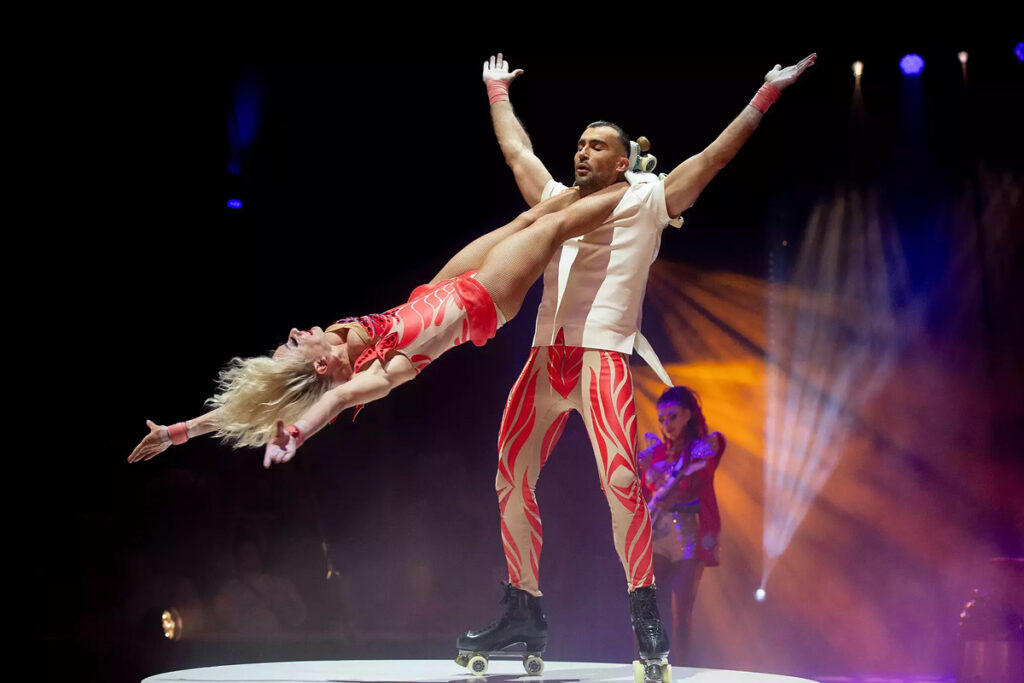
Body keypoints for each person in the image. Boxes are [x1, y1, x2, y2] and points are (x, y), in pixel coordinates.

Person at [457, 52, 815, 675]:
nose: (582, 152)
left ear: (622, 161)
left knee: (622, 484)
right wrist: (496, 92)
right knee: (510, 479)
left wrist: (765, 96)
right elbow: (517, 153)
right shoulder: (556, 201)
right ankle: (523, 609)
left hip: (602, 360)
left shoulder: (650, 199)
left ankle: (645, 612)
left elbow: (713, 159)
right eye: (579, 144)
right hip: (545, 358)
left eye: (596, 146)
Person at [127, 182, 628, 466]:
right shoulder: (373, 377)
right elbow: (332, 401)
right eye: (293, 344)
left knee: (526, 220)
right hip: (483, 301)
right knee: (553, 228)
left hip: (435, 291)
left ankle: (604, 184)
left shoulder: (334, 339)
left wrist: (177, 432)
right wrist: (296, 432)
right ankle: (638, 192)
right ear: (320, 365)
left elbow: (253, 404)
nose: (295, 332)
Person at [639, 386, 725, 665]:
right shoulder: (655, 452)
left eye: (673, 417)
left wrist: (673, 496)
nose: (666, 424)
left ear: (688, 415)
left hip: (688, 534)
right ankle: (648, 667)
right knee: (645, 606)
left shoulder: (700, 449)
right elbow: (643, 495)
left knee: (682, 614)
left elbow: (699, 491)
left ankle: (683, 672)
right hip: (656, 534)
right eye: (662, 419)